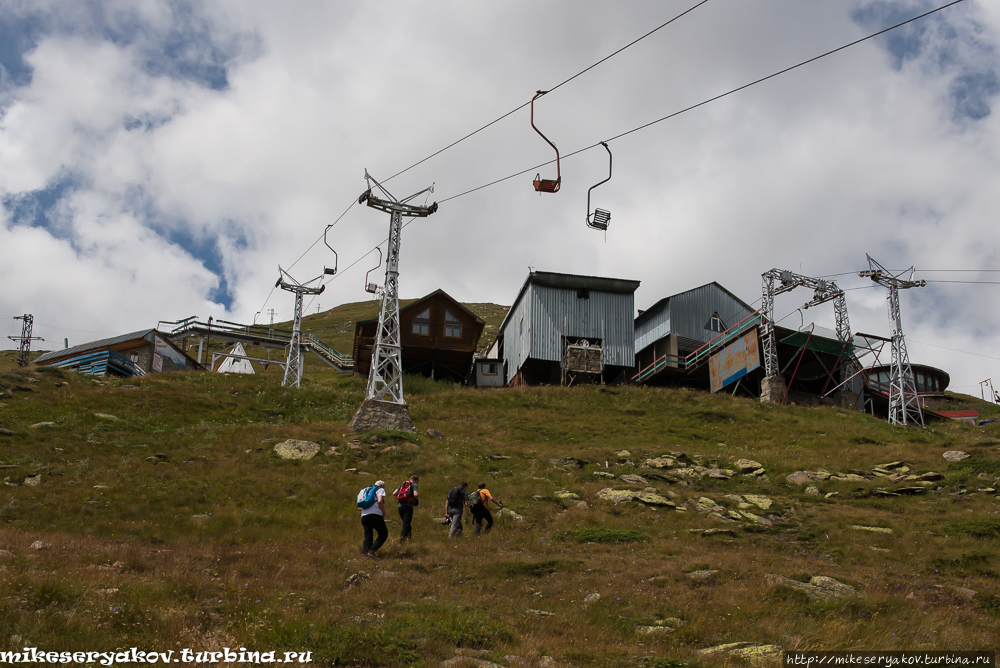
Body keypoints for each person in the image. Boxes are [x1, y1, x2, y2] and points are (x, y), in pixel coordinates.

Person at [360, 480, 388, 557]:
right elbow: (379, 501)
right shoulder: (380, 489)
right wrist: (383, 512)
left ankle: (366, 554)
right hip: (375, 514)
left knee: (368, 534)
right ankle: (372, 550)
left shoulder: (363, 490)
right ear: (382, 486)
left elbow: (359, 507)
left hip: (364, 516)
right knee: (383, 533)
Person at [392, 475, 420, 542]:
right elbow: (416, 495)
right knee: (406, 524)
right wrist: (414, 499)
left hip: (400, 506)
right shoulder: (414, 485)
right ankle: (401, 541)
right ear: (416, 480)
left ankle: (408, 541)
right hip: (408, 506)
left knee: (407, 524)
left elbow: (394, 493)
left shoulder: (403, 484)